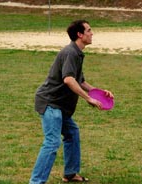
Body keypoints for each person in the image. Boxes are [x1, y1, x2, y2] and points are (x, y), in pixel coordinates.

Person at [29, 20, 114, 184]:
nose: (92, 33)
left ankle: (70, 174)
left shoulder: (77, 53)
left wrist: (100, 92)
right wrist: (88, 98)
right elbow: (68, 79)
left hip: (60, 106)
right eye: (89, 30)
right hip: (50, 102)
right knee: (52, 142)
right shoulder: (70, 53)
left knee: (72, 134)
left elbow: (80, 81)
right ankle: (36, 182)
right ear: (80, 35)